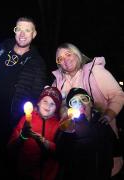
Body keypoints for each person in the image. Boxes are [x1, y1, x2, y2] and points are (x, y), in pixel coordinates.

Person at [52, 43, 124, 176]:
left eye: (68, 54)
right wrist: (63, 114)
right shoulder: (58, 81)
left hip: (101, 136)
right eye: (60, 58)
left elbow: (117, 95)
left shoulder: (94, 72)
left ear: (76, 54)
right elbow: (55, 104)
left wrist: (108, 115)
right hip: (75, 143)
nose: (65, 60)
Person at [0, 17, 47, 143]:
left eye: (27, 30)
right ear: (14, 31)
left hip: (12, 124)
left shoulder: (38, 62)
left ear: (34, 34)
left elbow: (36, 94)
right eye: (19, 29)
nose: (22, 34)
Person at [55, 87, 119, 180]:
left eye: (84, 99)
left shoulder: (103, 124)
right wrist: (67, 134)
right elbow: (60, 156)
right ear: (70, 109)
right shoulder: (66, 127)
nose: (80, 103)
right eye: (74, 101)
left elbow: (116, 150)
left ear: (91, 103)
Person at [7, 86, 62, 180]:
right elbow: (10, 147)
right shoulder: (26, 119)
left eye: (53, 104)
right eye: (45, 101)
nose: (48, 106)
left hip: (47, 175)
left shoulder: (58, 126)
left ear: (56, 109)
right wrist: (22, 137)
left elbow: (61, 153)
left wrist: (45, 143)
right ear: (39, 102)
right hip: (24, 172)